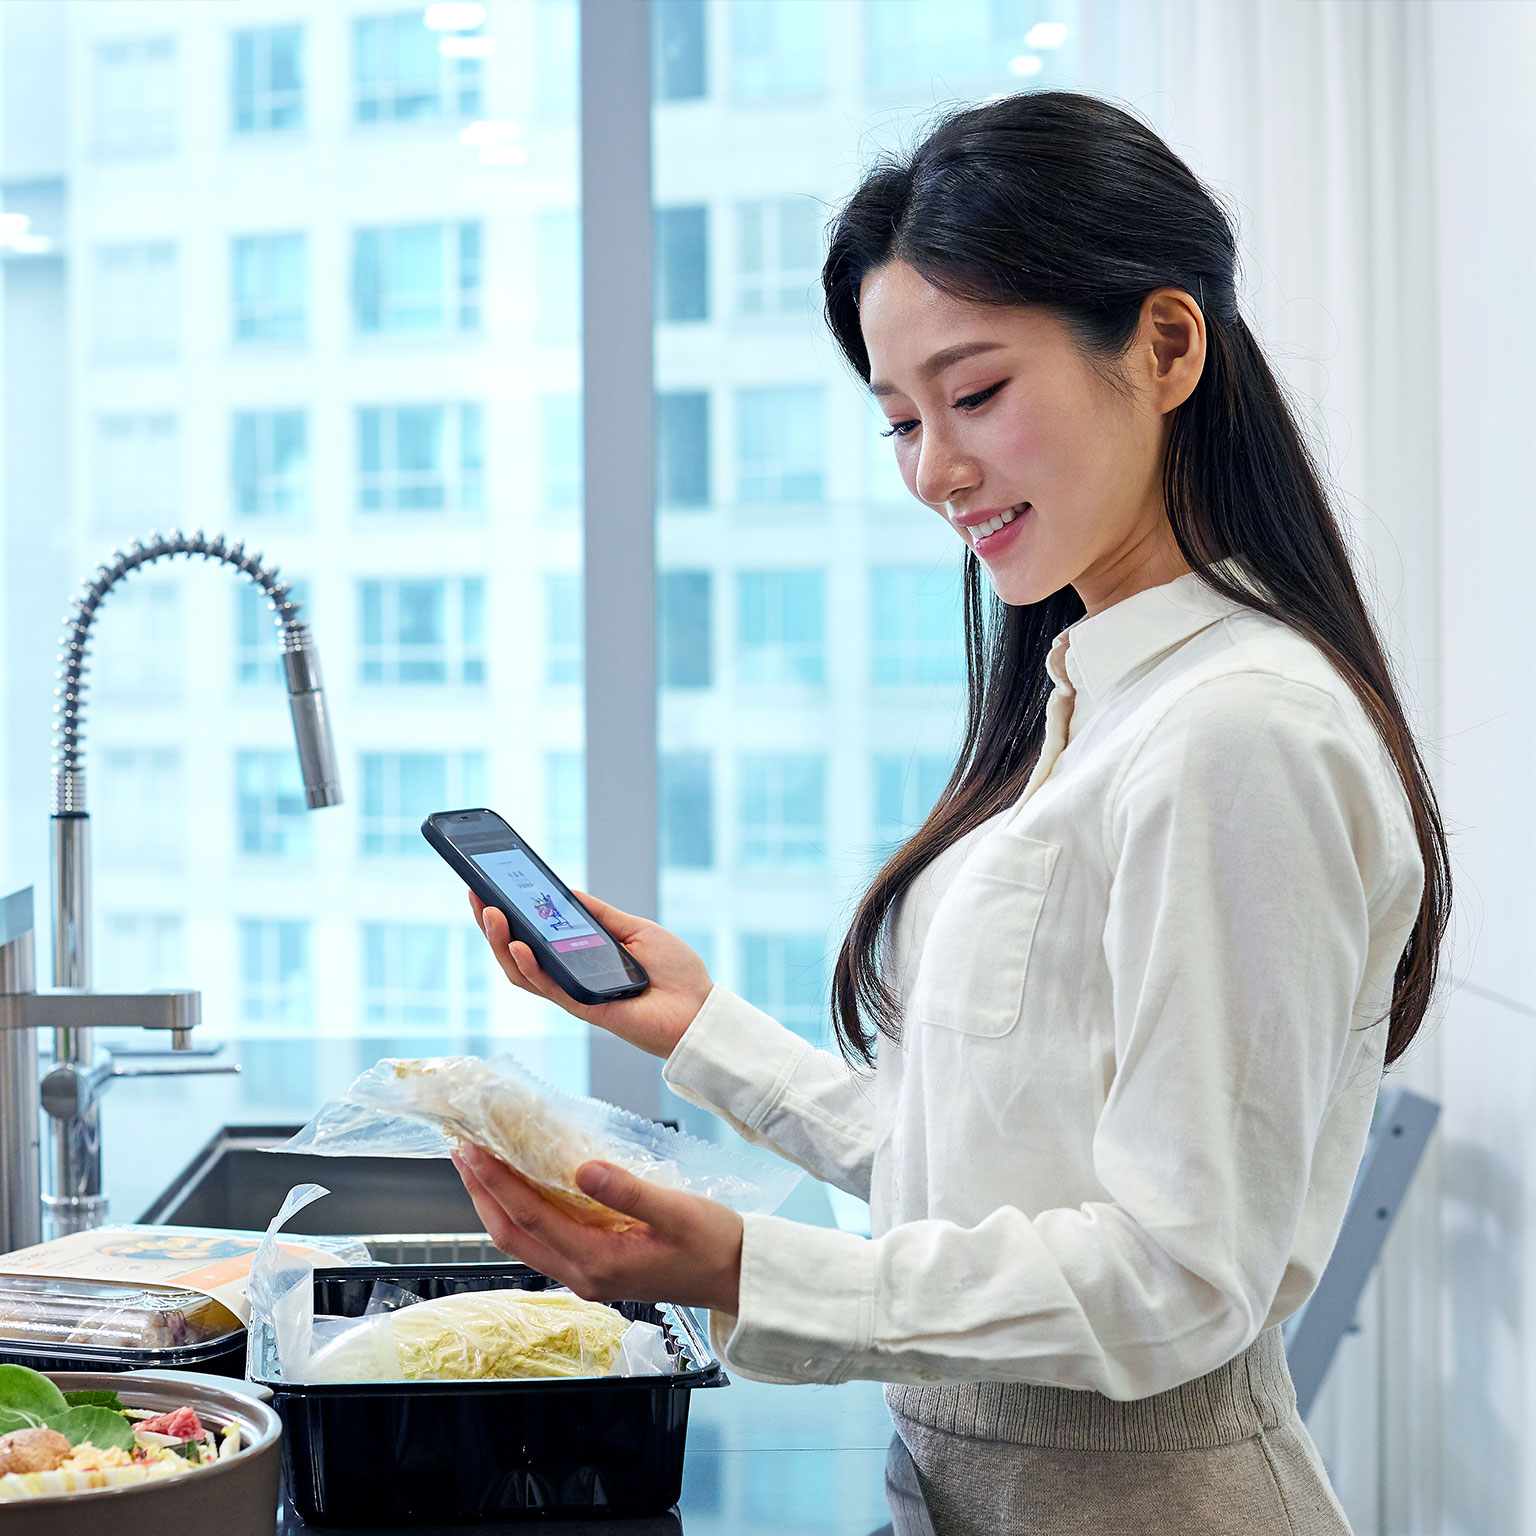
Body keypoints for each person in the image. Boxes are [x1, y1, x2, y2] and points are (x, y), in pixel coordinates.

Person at [451, 90, 1449, 1535]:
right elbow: (988, 1154)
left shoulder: (1241, 731)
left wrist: (751, 1271)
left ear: (1166, 346)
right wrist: (696, 1029)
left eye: (975, 395)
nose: (935, 470)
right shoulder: (1095, 699)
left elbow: (1181, 1275)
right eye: (901, 421)